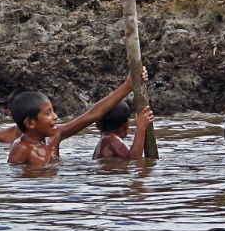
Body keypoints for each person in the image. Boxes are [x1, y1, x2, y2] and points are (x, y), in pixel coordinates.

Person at [8, 68, 147, 166]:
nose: (55, 116)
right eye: (48, 113)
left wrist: (129, 85)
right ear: (30, 123)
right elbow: (15, 182)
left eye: (53, 111)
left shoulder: (54, 136)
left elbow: (93, 115)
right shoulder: (21, 148)